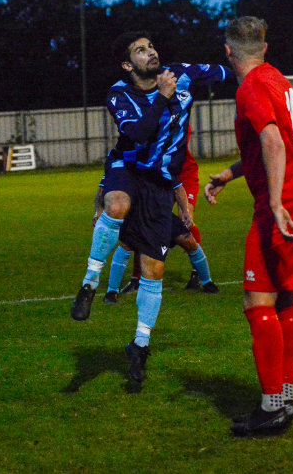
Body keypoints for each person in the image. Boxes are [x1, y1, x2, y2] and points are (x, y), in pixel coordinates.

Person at [70, 30, 230, 384]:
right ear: (128, 65)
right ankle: (89, 284)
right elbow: (138, 134)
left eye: (151, 46)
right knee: (116, 204)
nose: (150, 52)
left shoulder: (180, 73)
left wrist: (254, 71)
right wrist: (162, 96)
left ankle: (140, 346)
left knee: (153, 269)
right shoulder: (119, 94)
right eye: (140, 51)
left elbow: (228, 72)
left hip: (160, 183)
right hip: (128, 169)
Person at [204, 17, 293, 437]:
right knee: (286, 296)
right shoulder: (277, 79)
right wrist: (230, 173)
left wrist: (273, 202)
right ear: (265, 49)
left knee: (257, 301)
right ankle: (284, 397)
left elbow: (272, 141)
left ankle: (272, 406)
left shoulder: (250, 87)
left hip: (285, 201)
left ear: (227, 52)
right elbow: (274, 143)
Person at [92, 175, 219, 305]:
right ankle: (112, 291)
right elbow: (102, 189)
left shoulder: (162, 164)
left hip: (161, 215)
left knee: (189, 242)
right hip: (135, 216)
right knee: (126, 246)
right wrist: (98, 212)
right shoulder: (123, 165)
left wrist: (185, 211)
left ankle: (207, 282)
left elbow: (178, 188)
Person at [118, 144, 218, 296]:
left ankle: (198, 275)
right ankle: (137, 279)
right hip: (161, 171)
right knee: (146, 223)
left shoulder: (175, 130)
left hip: (184, 172)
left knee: (186, 221)